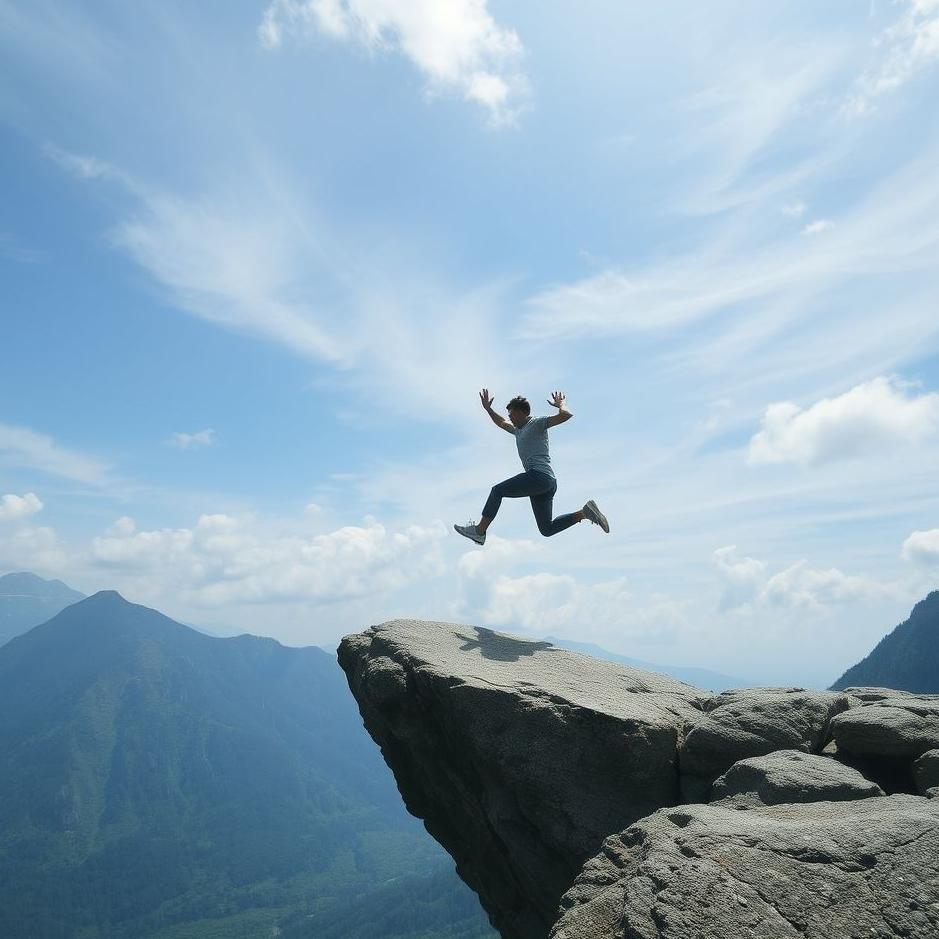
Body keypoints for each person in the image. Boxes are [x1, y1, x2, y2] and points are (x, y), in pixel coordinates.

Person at [454, 389, 609, 546]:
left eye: (512, 415)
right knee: (546, 529)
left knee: (497, 491)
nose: (510, 418)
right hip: (546, 483)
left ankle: (480, 531)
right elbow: (501, 423)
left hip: (539, 477)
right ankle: (584, 513)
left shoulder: (537, 422)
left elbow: (566, 415)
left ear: (523, 413)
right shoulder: (517, 430)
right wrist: (488, 409)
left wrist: (561, 404)